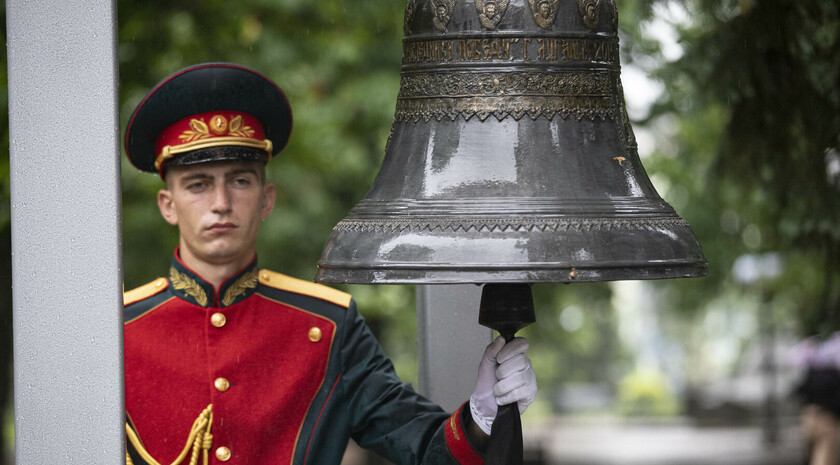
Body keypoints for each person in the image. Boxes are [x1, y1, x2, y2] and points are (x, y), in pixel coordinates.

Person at [122, 63, 537, 465]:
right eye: (198, 185)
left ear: (267, 199)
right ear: (167, 205)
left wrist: (483, 413)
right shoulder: (117, 333)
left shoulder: (329, 326)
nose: (221, 203)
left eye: (240, 180)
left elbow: (420, 444)